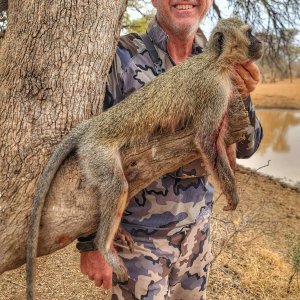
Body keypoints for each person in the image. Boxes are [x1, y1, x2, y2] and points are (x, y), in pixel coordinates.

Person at [77, 1, 263, 299]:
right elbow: (89, 151)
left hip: (197, 236)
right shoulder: (121, 56)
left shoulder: (220, 56)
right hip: (137, 245)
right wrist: (91, 244)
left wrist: (243, 97)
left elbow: (247, 147)